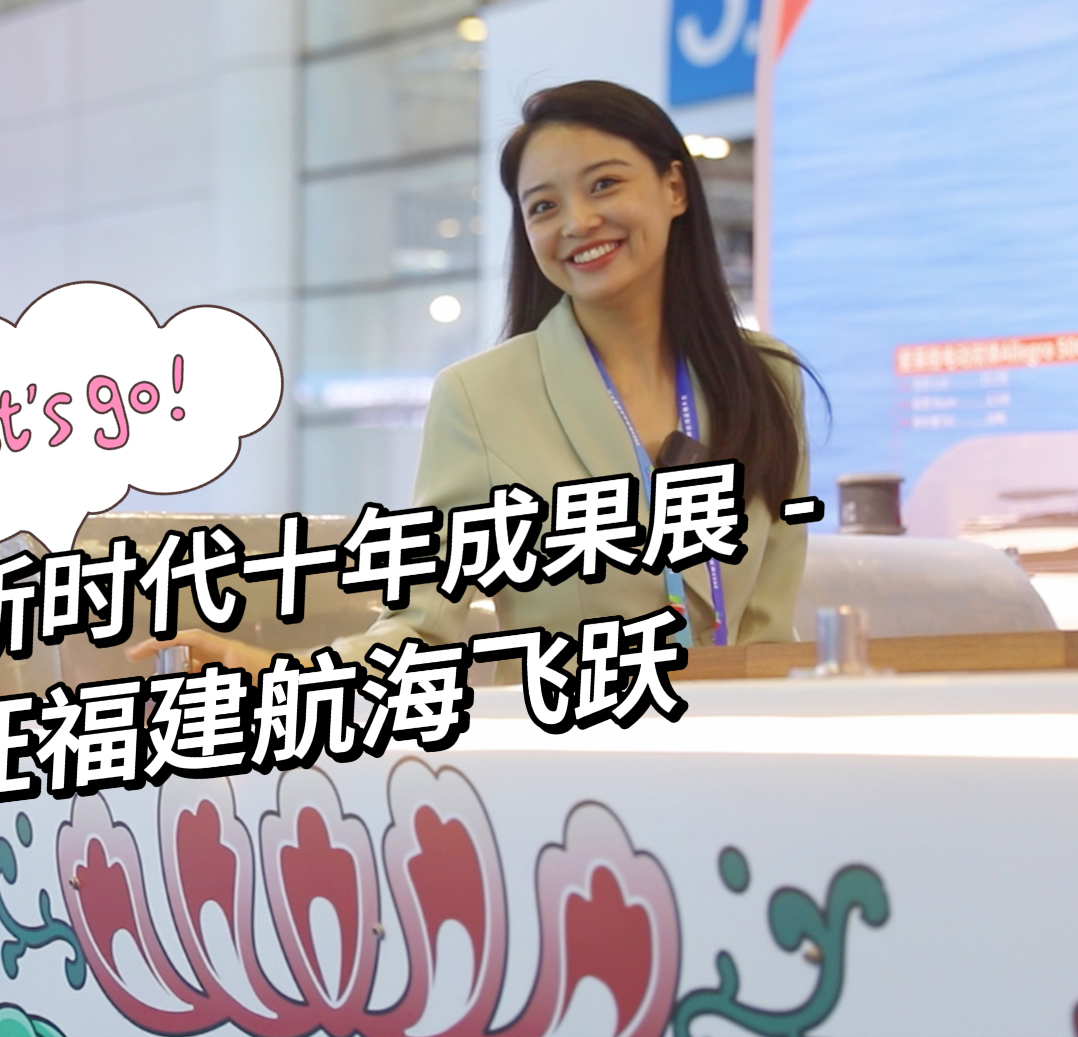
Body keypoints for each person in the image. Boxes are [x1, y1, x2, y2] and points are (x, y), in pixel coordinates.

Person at [132, 80, 814, 680]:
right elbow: (420, 626)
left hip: (737, 748)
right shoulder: (480, 398)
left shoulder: (766, 380)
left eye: (604, 184)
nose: (578, 222)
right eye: (543, 206)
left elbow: (767, 629)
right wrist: (269, 673)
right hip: (579, 757)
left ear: (674, 188)